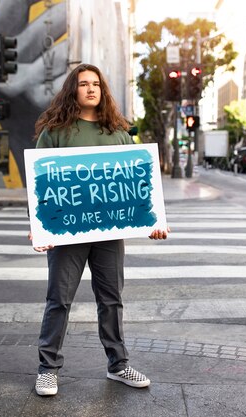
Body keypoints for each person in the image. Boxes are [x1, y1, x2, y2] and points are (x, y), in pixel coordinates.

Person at [29, 64, 169, 397]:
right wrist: (37, 225)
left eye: (96, 84)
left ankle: (118, 365)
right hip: (68, 233)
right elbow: (41, 182)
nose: (91, 89)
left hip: (108, 234)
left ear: (103, 91)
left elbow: (135, 183)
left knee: (111, 300)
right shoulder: (55, 132)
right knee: (59, 300)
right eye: (83, 84)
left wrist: (153, 220)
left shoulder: (118, 132)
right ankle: (48, 369)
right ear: (72, 91)